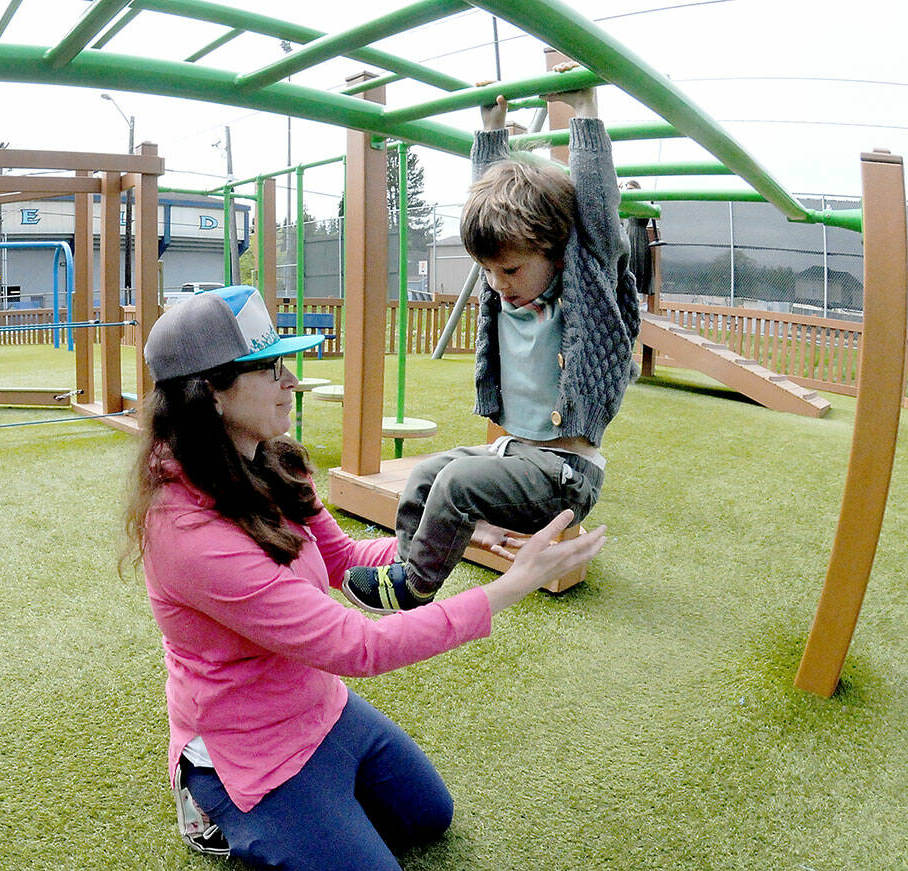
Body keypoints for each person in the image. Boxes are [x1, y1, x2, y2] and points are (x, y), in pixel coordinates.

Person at [124, 284, 606, 871]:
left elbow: (342, 557)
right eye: (270, 368)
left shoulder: (271, 463)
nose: (291, 381)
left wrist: (459, 534)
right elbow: (358, 646)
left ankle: (321, 806)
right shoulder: (187, 535)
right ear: (211, 395)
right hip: (248, 749)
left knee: (429, 816)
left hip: (317, 705)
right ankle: (208, 797)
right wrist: (508, 587)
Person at [343, 81, 639, 614]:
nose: (499, 284)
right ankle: (407, 567)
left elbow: (597, 204)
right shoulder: (504, 291)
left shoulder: (583, 289)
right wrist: (490, 127)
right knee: (426, 473)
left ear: (556, 250)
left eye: (510, 269)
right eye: (488, 271)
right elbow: (488, 197)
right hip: (516, 456)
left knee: (457, 481)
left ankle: (417, 585)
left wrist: (586, 111)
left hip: (564, 477)